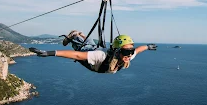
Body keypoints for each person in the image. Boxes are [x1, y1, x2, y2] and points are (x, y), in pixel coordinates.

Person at [29, 31, 157, 74]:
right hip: (94, 60)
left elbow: (138, 50)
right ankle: (74, 36)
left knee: (93, 46)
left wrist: (148, 46)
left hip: (98, 56)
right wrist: (49, 53)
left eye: (131, 51)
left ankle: (80, 35)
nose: (130, 54)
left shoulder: (127, 57)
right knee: (82, 48)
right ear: (118, 51)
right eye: (127, 51)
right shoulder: (101, 56)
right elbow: (77, 55)